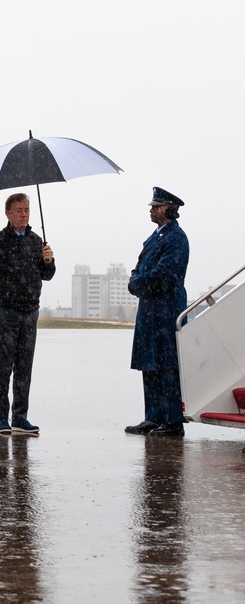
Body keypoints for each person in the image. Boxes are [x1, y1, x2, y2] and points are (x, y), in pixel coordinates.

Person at [0, 193, 55, 435]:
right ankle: (1, 417)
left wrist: (49, 261)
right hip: (6, 313)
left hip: (30, 312)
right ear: (8, 213)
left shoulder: (36, 241)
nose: (24, 214)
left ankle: (20, 418)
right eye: (19, 210)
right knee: (4, 367)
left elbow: (47, 275)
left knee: (24, 367)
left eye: (27, 210)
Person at [124, 187, 190, 438]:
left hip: (166, 308)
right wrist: (135, 280)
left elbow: (165, 274)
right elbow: (138, 268)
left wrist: (137, 284)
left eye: (157, 206)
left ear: (171, 209)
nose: (151, 210)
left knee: (167, 364)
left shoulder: (177, 238)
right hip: (149, 309)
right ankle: (153, 417)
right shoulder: (155, 237)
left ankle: (173, 421)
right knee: (149, 363)